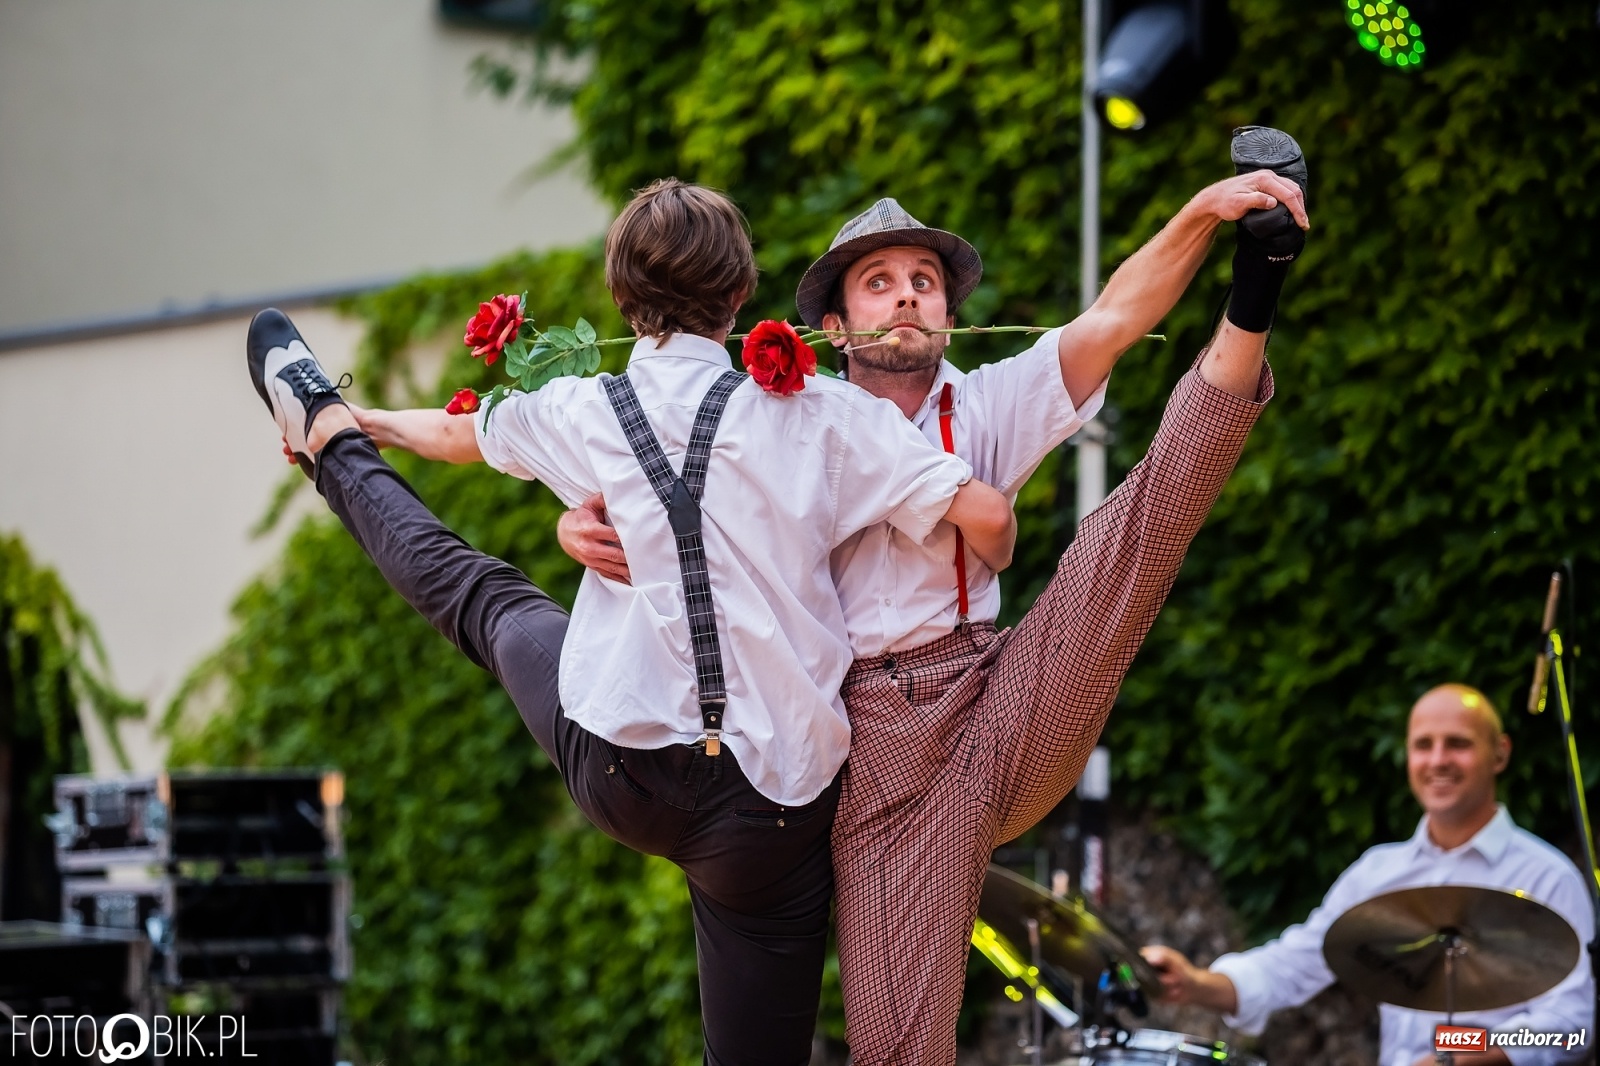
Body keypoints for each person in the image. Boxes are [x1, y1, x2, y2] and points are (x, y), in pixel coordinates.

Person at [557, 127, 1309, 1063]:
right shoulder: (778, 421)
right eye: (879, 280)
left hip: (999, 693)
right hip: (877, 752)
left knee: (1121, 546)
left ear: (950, 312)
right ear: (833, 328)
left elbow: (1115, 317)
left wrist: (1204, 212)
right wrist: (583, 527)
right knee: (899, 1045)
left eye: (925, 277)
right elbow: (675, 514)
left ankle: (1259, 286)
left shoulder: (991, 400)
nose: (908, 291)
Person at [245, 178, 1019, 1066]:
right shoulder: (821, 414)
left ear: (623, 299)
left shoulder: (582, 409)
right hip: (771, 808)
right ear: (739, 297)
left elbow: (463, 436)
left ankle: (331, 446)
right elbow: (987, 518)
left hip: (624, 770)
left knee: (485, 601)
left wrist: (370, 423)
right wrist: (981, 558)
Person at [1142, 684, 1595, 1066]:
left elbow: (1571, 1028)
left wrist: (1458, 1051)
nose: (1438, 760)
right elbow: (1292, 965)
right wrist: (1195, 984)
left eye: (1457, 743)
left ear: (1499, 754)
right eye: (1423, 745)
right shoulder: (1380, 871)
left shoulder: (1547, 876)